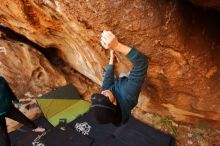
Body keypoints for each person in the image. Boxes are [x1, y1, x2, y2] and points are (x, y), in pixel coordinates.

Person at [91, 31, 148, 125]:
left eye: (100, 94)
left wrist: (111, 57)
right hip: (125, 85)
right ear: (114, 104)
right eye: (104, 96)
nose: (103, 92)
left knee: (107, 75)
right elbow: (142, 63)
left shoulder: (105, 96)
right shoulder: (128, 93)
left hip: (117, 88)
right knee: (124, 74)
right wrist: (117, 46)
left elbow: (107, 80)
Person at [0, 48, 45, 146]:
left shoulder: (1, 79)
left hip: (8, 108)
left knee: (23, 118)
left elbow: (9, 91)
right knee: (3, 133)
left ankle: (35, 128)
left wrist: (16, 101)